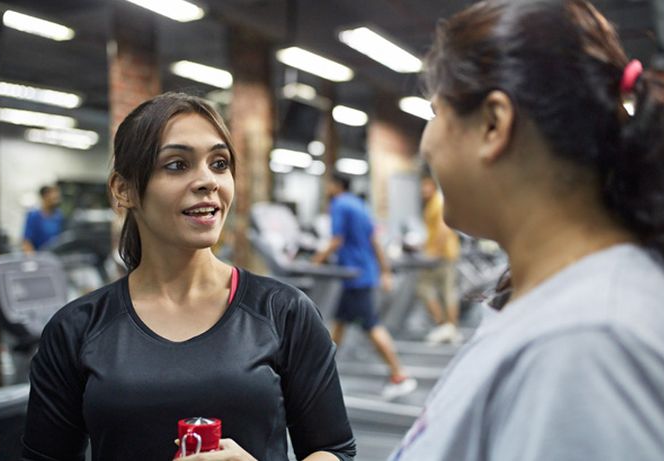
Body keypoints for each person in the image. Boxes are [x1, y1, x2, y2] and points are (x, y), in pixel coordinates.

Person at [391, 1, 664, 460]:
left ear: (494, 123)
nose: (426, 142)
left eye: (435, 112)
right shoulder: (570, 312)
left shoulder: (589, 350)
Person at [22, 93, 356, 461]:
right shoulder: (76, 329)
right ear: (124, 189)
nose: (207, 181)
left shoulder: (285, 311)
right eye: (177, 165)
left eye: (219, 163)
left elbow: (334, 450)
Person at [312, 174, 417, 400]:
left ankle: (399, 375)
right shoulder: (359, 204)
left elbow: (336, 240)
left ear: (335, 185)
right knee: (339, 324)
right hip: (363, 273)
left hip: (354, 276)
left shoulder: (339, 204)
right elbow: (375, 240)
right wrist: (384, 270)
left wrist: (315, 260)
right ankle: (318, 373)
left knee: (371, 325)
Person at [416, 173, 462, 344]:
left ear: (433, 186)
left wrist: (434, 251)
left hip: (443, 256)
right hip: (442, 254)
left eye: (426, 186)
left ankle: (447, 326)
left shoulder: (438, 202)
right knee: (445, 292)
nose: (423, 190)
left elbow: (444, 229)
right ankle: (449, 328)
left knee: (430, 290)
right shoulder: (431, 204)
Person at [21, 184, 63, 253]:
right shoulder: (34, 216)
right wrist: (32, 260)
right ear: (45, 196)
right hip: (39, 258)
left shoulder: (59, 216)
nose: (57, 197)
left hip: (54, 258)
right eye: (54, 197)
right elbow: (27, 242)